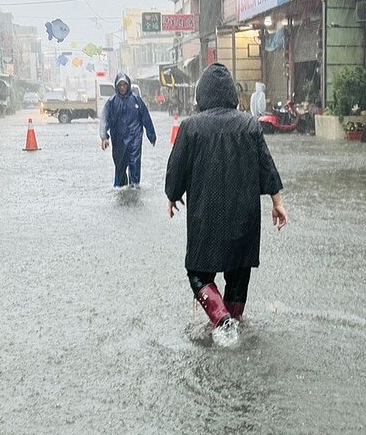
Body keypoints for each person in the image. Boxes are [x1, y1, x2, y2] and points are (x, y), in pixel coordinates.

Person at [165, 63, 289, 346]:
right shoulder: (249, 125)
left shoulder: (190, 127)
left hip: (205, 216)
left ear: (201, 95)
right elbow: (266, 167)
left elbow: (176, 167)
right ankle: (234, 321)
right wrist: (277, 202)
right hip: (243, 217)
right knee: (238, 271)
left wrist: (172, 194)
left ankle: (221, 320)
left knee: (197, 271)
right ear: (232, 93)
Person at [100, 72, 156, 187]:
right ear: (116, 86)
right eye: (119, 85)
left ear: (128, 85)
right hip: (118, 140)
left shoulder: (136, 100)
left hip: (135, 138)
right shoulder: (112, 102)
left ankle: (134, 186)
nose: (122, 88)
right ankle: (120, 186)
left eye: (124, 85)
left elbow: (146, 118)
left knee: (134, 163)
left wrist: (151, 135)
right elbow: (104, 120)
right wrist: (104, 137)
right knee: (119, 166)